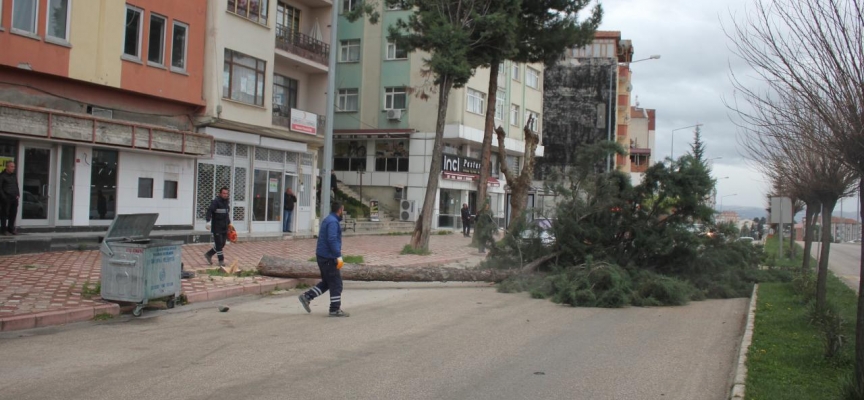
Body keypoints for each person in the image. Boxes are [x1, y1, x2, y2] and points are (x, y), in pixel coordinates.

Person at [298, 201, 349, 317]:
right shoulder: (333, 222)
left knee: (327, 282)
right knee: (336, 283)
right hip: (328, 258)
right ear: (340, 210)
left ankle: (307, 297)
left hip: (322, 256)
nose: (343, 213)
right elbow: (332, 240)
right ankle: (334, 309)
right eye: (343, 210)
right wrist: (338, 256)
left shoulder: (328, 219)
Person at [204, 187, 231, 267]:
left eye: (226, 193)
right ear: (220, 194)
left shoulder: (226, 203)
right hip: (217, 227)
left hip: (224, 227)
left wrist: (229, 225)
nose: (225, 195)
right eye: (224, 193)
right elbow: (209, 211)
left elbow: (226, 215)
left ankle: (209, 254)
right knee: (219, 245)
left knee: (222, 244)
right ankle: (221, 260)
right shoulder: (216, 202)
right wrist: (208, 221)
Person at [0, 161, 20, 235]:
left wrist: (18, 194)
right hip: (6, 197)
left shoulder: (14, 176)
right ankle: (3, 230)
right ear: (7, 167)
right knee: (4, 214)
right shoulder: (2, 176)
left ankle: (11, 229)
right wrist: (3, 197)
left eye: (14, 167)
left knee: (13, 213)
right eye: (11, 166)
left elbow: (16, 185)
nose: (13, 168)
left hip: (14, 197)